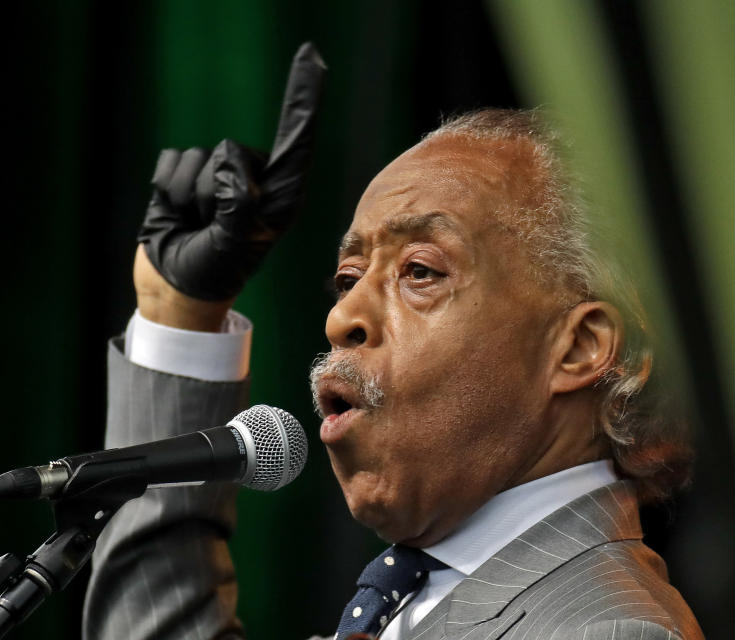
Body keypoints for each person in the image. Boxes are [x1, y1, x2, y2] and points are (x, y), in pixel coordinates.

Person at [82, 43, 703, 640]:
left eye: (420, 271)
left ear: (579, 347)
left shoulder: (608, 631)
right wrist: (178, 313)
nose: (341, 317)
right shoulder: (412, 601)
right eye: (348, 278)